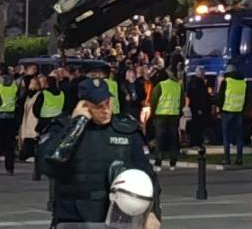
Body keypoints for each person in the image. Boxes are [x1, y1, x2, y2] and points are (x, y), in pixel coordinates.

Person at [38, 77, 161, 228]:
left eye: (108, 103)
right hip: (73, 217)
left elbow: (147, 176)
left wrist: (151, 212)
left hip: (118, 217)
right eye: (98, 106)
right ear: (83, 105)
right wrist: (78, 122)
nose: (106, 110)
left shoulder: (126, 130)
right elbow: (48, 164)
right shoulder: (62, 128)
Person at [150, 68, 183, 170]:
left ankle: (158, 163)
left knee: (160, 140)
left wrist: (153, 114)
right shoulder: (178, 86)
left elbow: (154, 100)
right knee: (173, 140)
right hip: (174, 115)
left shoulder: (160, 86)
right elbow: (182, 101)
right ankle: (173, 162)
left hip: (160, 116)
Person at [0, 65, 19, 175]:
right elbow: (17, 96)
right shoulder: (14, 83)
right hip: (10, 115)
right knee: (9, 144)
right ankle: (10, 168)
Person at [216, 65, 247, 166]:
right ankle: (239, 159)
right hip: (238, 112)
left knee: (226, 137)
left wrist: (219, 109)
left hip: (227, 111)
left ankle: (227, 159)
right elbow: (246, 98)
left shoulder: (226, 81)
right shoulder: (243, 82)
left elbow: (220, 97)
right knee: (239, 137)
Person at [186, 67, 212, 148]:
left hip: (195, 108)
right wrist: (200, 108)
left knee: (195, 126)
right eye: (203, 74)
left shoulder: (192, 82)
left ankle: (195, 142)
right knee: (198, 127)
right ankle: (196, 142)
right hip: (198, 109)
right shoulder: (199, 84)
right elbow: (201, 97)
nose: (204, 75)